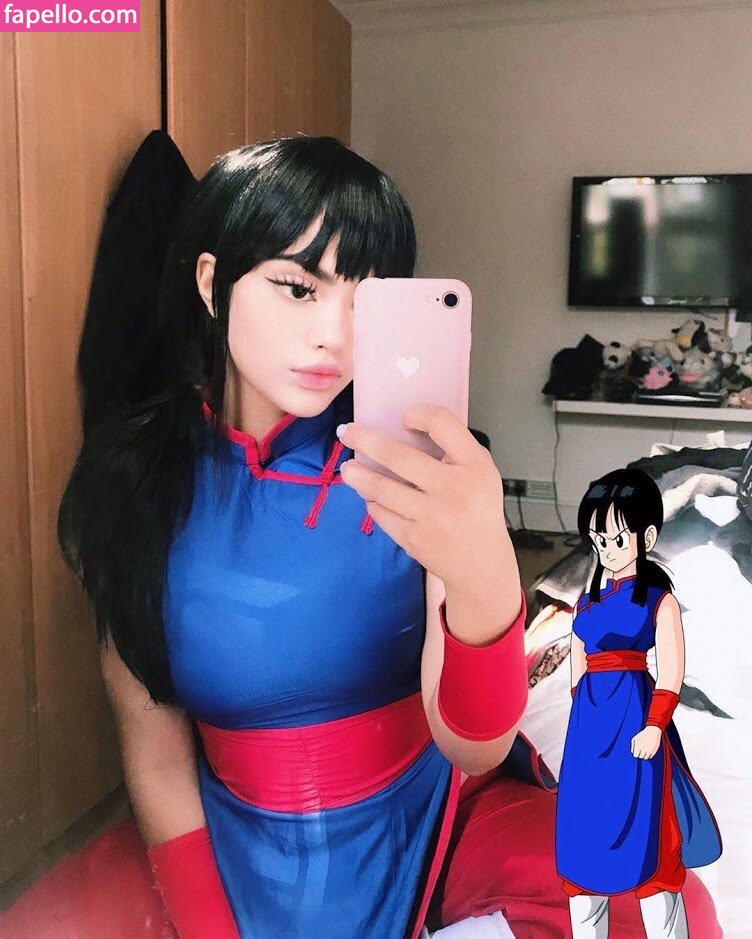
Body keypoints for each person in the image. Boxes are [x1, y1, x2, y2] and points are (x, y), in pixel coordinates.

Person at [58, 136, 720, 939]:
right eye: (297, 287)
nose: (335, 336)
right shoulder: (133, 486)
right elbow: (156, 753)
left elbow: (474, 746)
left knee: (652, 892)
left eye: (365, 302)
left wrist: (484, 578)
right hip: (237, 843)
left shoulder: (417, 467)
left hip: (436, 822)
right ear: (211, 282)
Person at [556, 469, 723, 939]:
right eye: (598, 540)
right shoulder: (586, 602)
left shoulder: (658, 601)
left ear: (647, 537)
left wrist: (653, 726)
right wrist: (582, 709)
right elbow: (576, 659)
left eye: (617, 539)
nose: (607, 550)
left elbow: (671, 671)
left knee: (647, 836)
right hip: (589, 729)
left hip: (636, 719)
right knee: (583, 839)